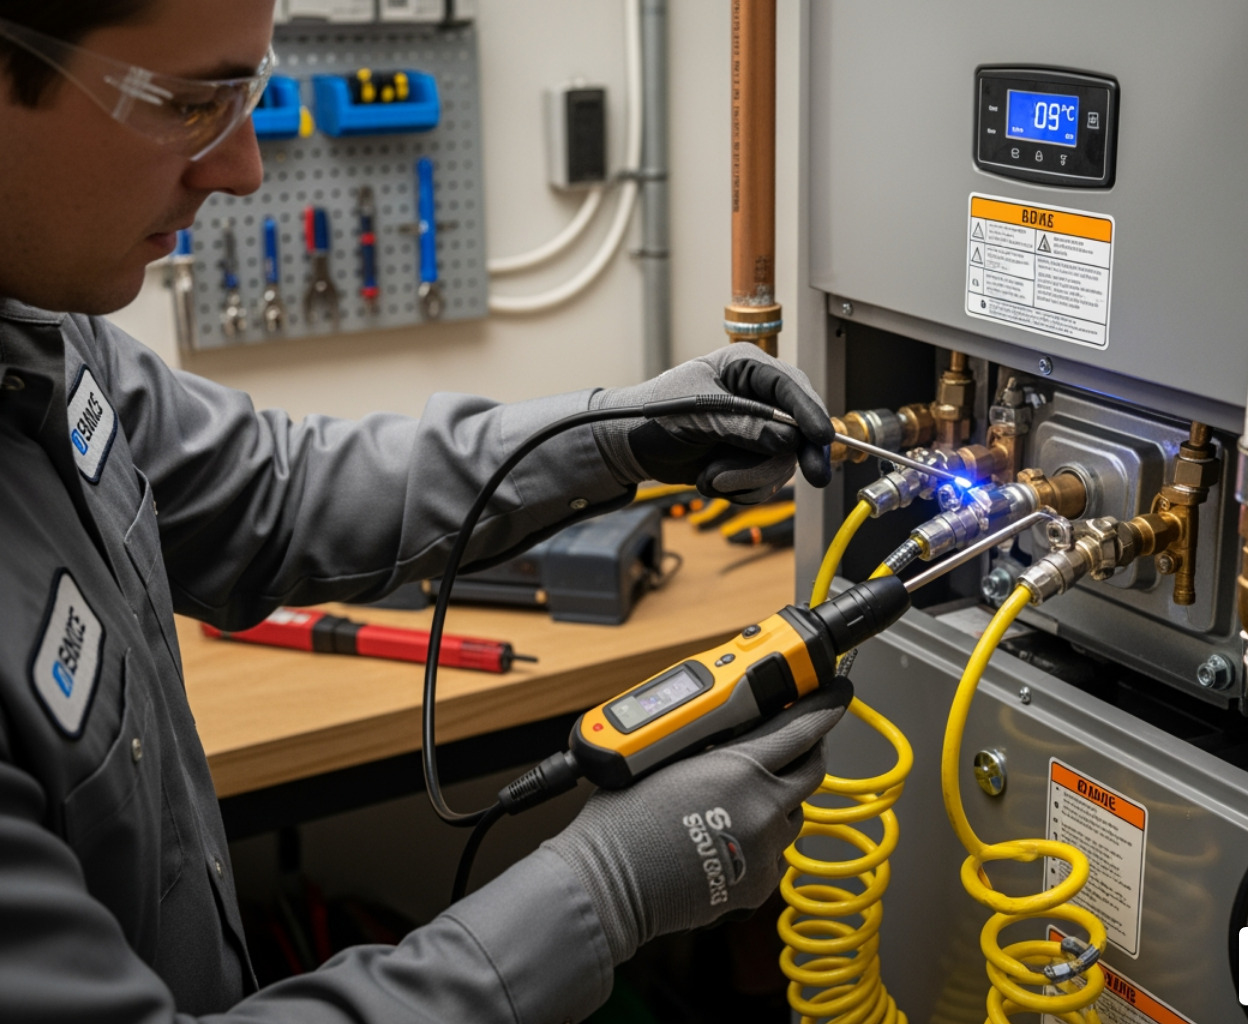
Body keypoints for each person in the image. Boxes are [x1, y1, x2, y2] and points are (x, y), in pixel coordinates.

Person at [0, 2, 847, 1021]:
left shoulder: (38, 327)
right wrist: (604, 889)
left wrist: (611, 434)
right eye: (187, 103)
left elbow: (273, 494)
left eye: (244, 96)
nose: (242, 170)